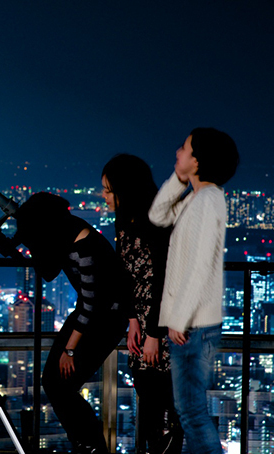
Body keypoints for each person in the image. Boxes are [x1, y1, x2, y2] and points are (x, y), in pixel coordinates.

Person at [14, 192, 132, 454]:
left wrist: (69, 350)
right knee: (54, 383)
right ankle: (87, 442)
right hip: (91, 316)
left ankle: (91, 445)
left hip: (105, 320)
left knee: (59, 384)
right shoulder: (69, 232)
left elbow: (93, 305)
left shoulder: (84, 249)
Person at [148, 128, 239, 454]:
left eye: (184, 149)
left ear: (198, 160)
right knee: (189, 411)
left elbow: (201, 264)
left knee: (191, 411)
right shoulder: (197, 198)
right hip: (193, 323)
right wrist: (178, 178)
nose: (177, 152)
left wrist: (179, 318)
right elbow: (158, 215)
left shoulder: (208, 201)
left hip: (193, 325)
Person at [102, 154, 183, 454]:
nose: (105, 196)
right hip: (143, 321)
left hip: (166, 322)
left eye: (109, 190)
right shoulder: (123, 218)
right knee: (147, 398)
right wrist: (132, 320)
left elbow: (166, 277)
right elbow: (125, 274)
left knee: (165, 407)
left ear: (126, 189)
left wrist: (154, 334)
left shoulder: (158, 218)